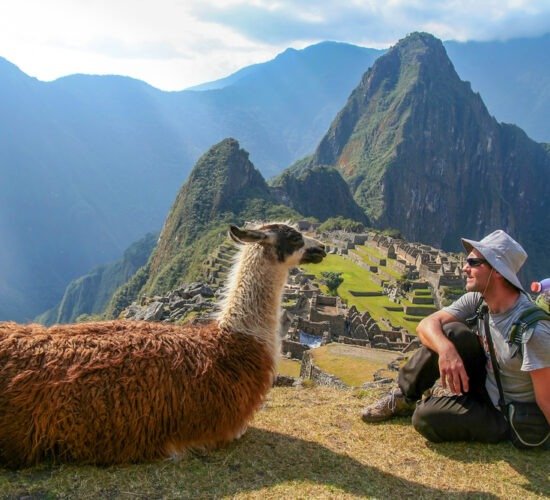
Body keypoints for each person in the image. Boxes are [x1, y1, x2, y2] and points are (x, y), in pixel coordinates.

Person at [361, 230, 550, 444]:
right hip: (484, 386)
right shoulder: (478, 301)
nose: (464, 267)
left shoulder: (533, 331)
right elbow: (426, 325)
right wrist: (446, 350)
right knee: (451, 333)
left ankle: (441, 406)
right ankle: (402, 399)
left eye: (473, 262)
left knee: (426, 418)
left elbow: (547, 400)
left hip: (507, 414)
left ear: (497, 271)